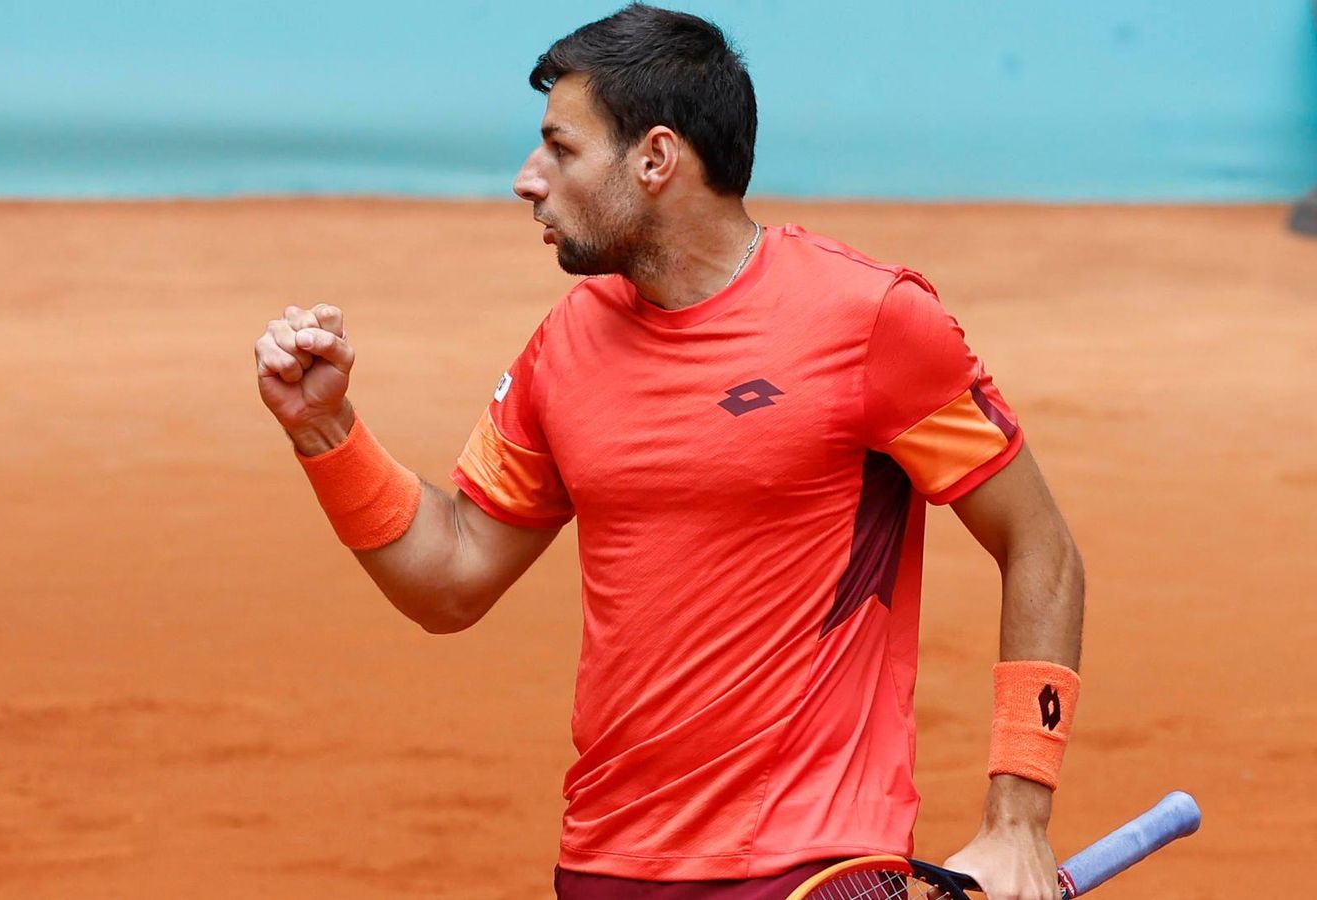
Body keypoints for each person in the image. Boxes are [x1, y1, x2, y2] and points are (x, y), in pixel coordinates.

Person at [254, 5, 1084, 899]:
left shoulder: (872, 322)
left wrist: (1018, 817)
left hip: (809, 866)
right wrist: (326, 433)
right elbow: (451, 577)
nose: (527, 181)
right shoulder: (567, 345)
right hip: (608, 863)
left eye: (560, 150)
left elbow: (1042, 547)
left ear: (655, 159)